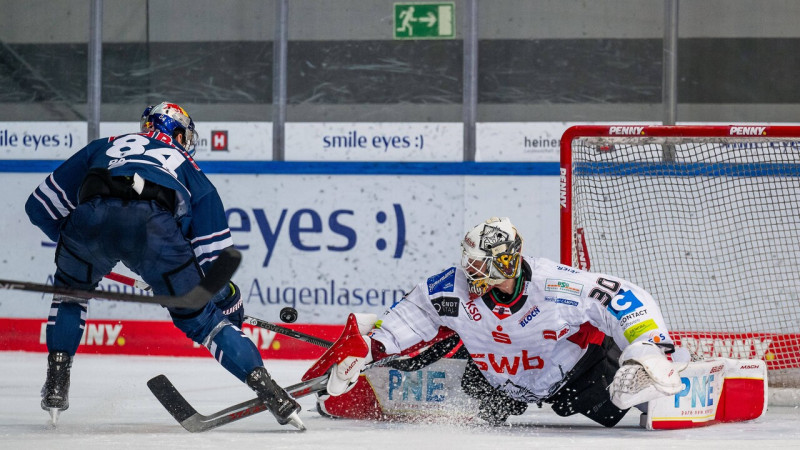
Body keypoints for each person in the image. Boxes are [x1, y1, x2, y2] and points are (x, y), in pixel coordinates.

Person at [25, 102, 303, 429]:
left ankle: (57, 383)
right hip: (155, 233)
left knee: (70, 296)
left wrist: (75, 243)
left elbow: (38, 207)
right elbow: (217, 261)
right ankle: (272, 393)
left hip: (89, 221)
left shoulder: (104, 146)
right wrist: (223, 304)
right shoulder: (189, 169)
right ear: (181, 134)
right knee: (206, 324)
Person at [305, 217, 685, 427]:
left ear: (507, 262)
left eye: (479, 264)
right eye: (469, 263)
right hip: (498, 384)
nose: (470, 272)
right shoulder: (449, 287)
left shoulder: (557, 285)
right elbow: (414, 315)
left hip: (574, 376)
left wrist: (649, 343)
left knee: (619, 404)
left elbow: (621, 296)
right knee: (469, 408)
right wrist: (370, 347)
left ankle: (662, 382)